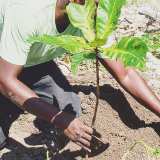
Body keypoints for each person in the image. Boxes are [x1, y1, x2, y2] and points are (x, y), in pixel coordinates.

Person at [0, 0, 159, 152]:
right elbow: (4, 80)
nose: (103, 16)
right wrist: (60, 120)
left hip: (30, 62)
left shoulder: (93, 17)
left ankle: (16, 98)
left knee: (69, 109)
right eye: (99, 8)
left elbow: (125, 74)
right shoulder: (27, 12)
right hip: (4, 66)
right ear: (77, 2)